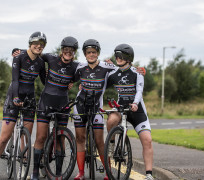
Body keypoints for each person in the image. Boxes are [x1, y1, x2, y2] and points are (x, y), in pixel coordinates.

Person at [0, 31, 47, 180]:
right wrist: (16, 97)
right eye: (36, 43)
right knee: (4, 137)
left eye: (42, 44)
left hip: (30, 98)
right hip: (14, 95)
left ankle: (22, 170)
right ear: (30, 43)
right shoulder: (19, 57)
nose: (39, 46)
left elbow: (46, 82)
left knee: (26, 138)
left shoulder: (40, 62)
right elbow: (15, 79)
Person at [31, 36, 80, 180]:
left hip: (63, 104)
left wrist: (109, 63)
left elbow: (93, 68)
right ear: (61, 50)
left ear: (74, 52)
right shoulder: (51, 58)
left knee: (60, 139)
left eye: (71, 51)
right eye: (66, 49)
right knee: (40, 137)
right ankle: (34, 172)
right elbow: (35, 51)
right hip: (46, 102)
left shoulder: (76, 66)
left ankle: (58, 174)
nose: (68, 52)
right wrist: (18, 51)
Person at [106, 44, 154, 180]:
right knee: (111, 120)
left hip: (136, 109)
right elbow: (101, 86)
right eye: (116, 56)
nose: (118, 58)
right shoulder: (113, 73)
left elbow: (139, 91)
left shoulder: (137, 72)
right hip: (121, 106)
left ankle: (149, 174)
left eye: (121, 56)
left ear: (128, 58)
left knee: (147, 140)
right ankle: (111, 145)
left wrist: (135, 103)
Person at [73, 39, 117, 180]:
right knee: (80, 138)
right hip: (80, 105)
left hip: (96, 106)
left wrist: (138, 70)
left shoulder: (106, 66)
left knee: (99, 141)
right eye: (88, 52)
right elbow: (69, 77)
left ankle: (107, 172)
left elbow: (124, 71)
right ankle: (80, 173)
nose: (91, 54)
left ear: (97, 53)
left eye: (93, 52)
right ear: (85, 54)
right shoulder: (80, 67)